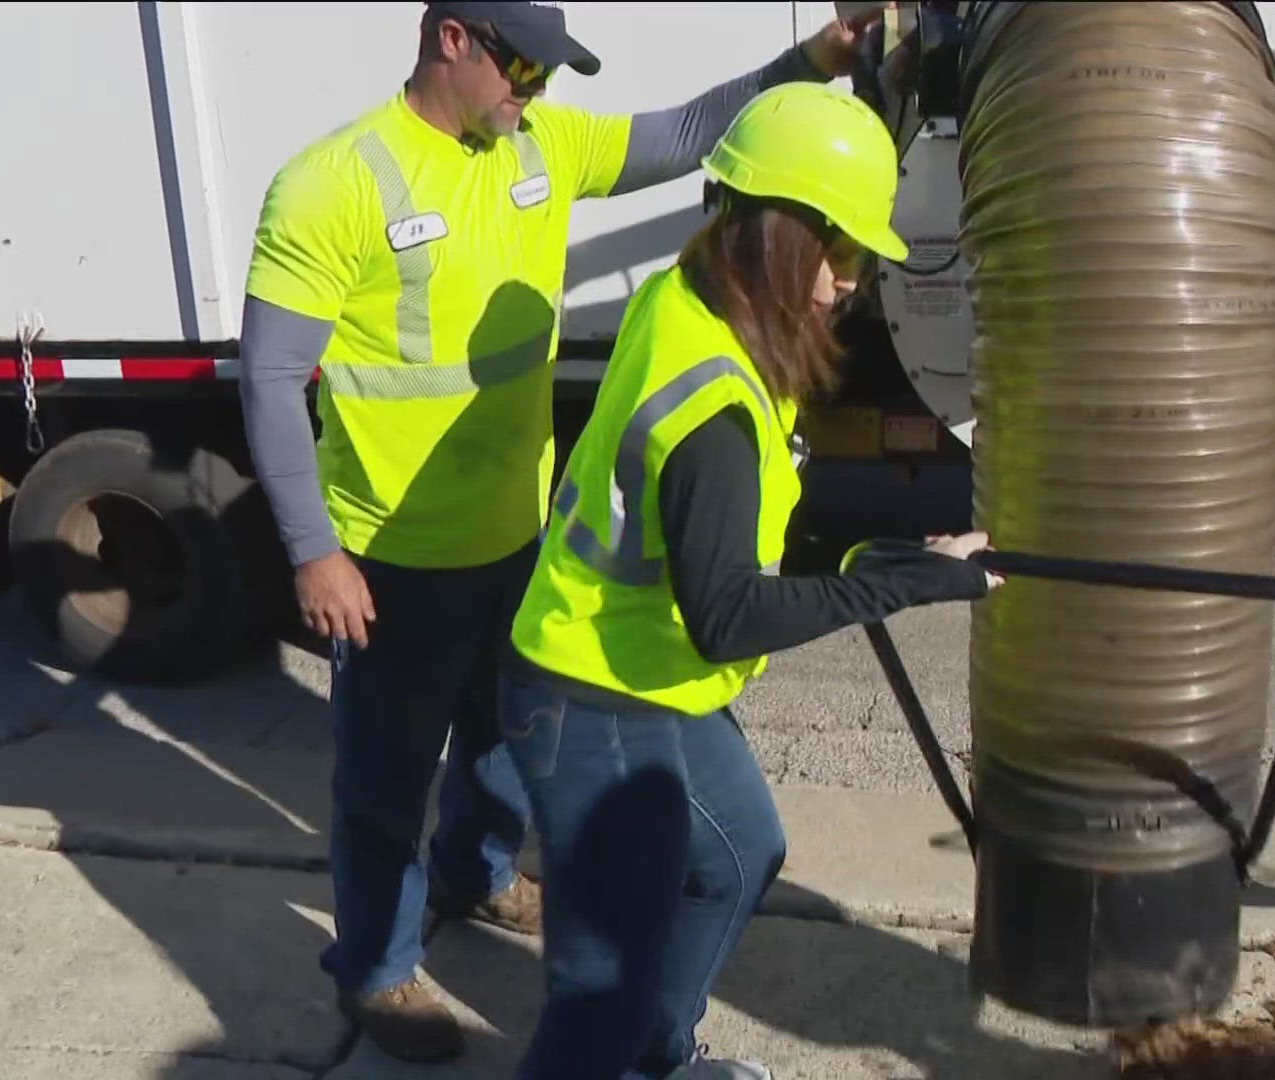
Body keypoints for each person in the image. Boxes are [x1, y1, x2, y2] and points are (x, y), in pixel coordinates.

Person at [235, 1, 888, 1064]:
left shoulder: (539, 142)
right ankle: (378, 971)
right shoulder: (333, 182)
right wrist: (315, 549)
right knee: (384, 783)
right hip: (391, 554)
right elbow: (267, 377)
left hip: (520, 538)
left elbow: (688, 134)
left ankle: (479, 876)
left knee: (501, 747)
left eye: (546, 73)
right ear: (451, 38)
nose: (535, 91)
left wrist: (807, 61)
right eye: (521, 67)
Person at [499, 80, 1000, 1080]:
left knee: (736, 857)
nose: (849, 283)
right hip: (595, 700)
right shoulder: (717, 403)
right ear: (785, 236)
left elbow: (726, 562)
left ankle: (660, 1055)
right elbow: (729, 615)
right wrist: (908, 586)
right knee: (595, 993)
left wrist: (899, 562)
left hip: (654, 674)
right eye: (845, 253)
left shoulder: (686, 296)